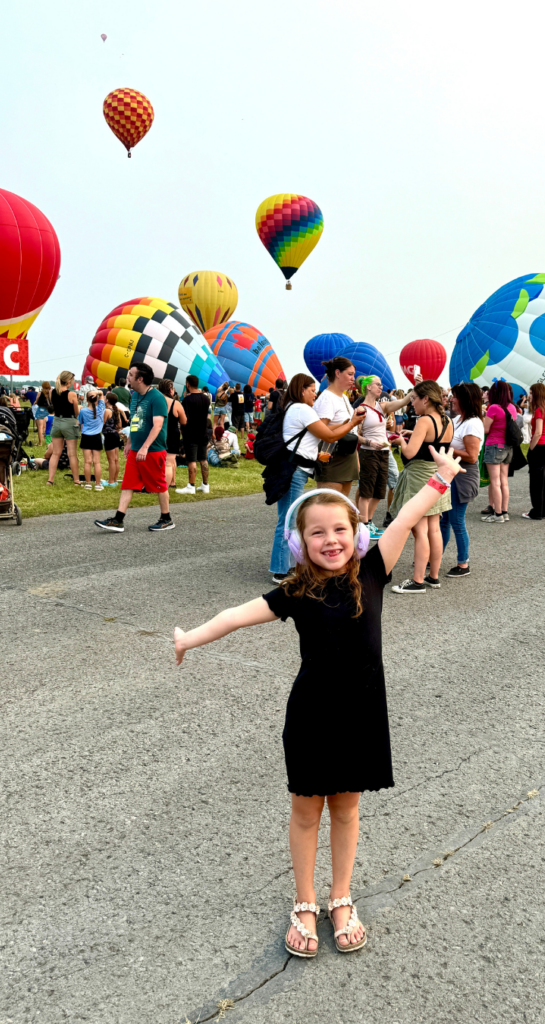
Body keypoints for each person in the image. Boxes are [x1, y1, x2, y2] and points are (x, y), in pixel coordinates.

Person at [173, 446, 465, 957]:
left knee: (347, 810)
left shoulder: (373, 569)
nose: (330, 540)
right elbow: (235, 615)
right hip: (311, 717)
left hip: (362, 714)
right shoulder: (295, 591)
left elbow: (413, 512)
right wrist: (188, 638)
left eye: (339, 530)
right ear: (297, 542)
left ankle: (340, 898)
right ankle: (304, 902)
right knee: (306, 812)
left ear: (358, 535)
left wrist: (442, 478)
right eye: (316, 532)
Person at [269, 374, 366, 583]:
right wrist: (353, 422)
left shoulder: (293, 408)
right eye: (312, 390)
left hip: (294, 467)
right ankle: (280, 570)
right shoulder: (301, 409)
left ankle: (285, 565)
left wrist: (316, 454)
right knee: (289, 519)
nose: (315, 394)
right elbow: (329, 436)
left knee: (290, 517)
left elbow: (320, 432)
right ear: (301, 390)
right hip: (294, 470)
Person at [390, 380, 454, 593]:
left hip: (419, 476)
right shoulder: (448, 420)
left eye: (414, 399)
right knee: (434, 529)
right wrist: (412, 437)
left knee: (420, 530)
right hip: (438, 475)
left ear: (425, 399)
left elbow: (409, 454)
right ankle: (433, 577)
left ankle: (417, 581)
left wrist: (400, 441)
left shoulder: (424, 420)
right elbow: (433, 446)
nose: (412, 403)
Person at [94, 363, 173, 532]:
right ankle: (118, 520)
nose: (127, 377)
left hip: (153, 450)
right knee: (128, 484)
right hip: (136, 449)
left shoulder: (157, 398)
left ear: (140, 379)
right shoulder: (135, 396)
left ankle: (166, 518)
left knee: (159, 485)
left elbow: (158, 425)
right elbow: (136, 421)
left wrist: (145, 447)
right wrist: (129, 443)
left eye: (131, 374)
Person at [354, 374, 415, 538]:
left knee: (379, 492)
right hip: (369, 453)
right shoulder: (361, 410)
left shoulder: (382, 406)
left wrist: (416, 386)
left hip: (383, 452)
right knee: (366, 491)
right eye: (378, 384)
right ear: (368, 387)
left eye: (381, 385)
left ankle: (369, 522)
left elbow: (403, 402)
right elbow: (353, 434)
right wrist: (369, 442)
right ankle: (363, 526)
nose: (381, 387)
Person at [439, 381, 483, 575]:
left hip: (462, 476)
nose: (451, 399)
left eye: (454, 396)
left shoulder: (473, 423)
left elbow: (472, 456)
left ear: (464, 399)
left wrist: (444, 448)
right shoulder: (458, 420)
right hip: (451, 474)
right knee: (444, 520)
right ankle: (434, 556)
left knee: (456, 520)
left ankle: (463, 563)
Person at [313, 358, 362, 496]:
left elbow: (350, 430)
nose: (354, 378)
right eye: (350, 374)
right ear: (338, 373)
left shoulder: (344, 397)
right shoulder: (327, 398)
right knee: (329, 503)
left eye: (354, 374)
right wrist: (350, 423)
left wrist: (356, 458)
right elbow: (319, 431)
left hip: (347, 452)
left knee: (341, 503)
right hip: (332, 454)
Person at [481, 380, 517, 524]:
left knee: (494, 482)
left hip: (494, 445)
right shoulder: (512, 407)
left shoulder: (493, 408)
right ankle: (504, 511)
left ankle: (497, 514)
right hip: (508, 447)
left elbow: (485, 429)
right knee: (504, 482)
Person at [522, 382, 545, 520]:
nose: (529, 396)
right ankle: (543, 510)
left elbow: (538, 432)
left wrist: (531, 448)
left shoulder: (539, 410)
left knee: (536, 481)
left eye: (530, 393)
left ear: (536, 394)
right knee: (544, 480)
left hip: (540, 446)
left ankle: (536, 511)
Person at [176, 375, 212, 495]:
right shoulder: (206, 399)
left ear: (187, 384)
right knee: (203, 459)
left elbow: (184, 419)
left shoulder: (187, 400)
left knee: (192, 459)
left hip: (191, 433)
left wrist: (182, 430)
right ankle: (205, 485)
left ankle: (191, 486)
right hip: (203, 432)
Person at [47, 371, 82, 486]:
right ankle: (76, 480)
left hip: (56, 422)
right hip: (69, 422)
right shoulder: (71, 394)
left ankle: (50, 480)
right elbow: (76, 412)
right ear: (68, 382)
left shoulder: (52, 392)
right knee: (72, 454)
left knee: (56, 453)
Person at [159, 379, 187, 488]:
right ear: (171, 390)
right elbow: (184, 421)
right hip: (172, 434)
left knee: (159, 461)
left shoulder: (155, 401)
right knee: (169, 462)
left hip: (158, 433)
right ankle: (165, 486)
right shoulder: (176, 404)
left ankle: (171, 482)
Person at [78, 388, 105, 490]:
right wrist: (97, 393)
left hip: (86, 437)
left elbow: (80, 422)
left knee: (87, 462)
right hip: (96, 436)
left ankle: (88, 483)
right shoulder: (101, 409)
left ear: (87, 399)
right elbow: (102, 394)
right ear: (96, 399)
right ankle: (98, 484)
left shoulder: (83, 411)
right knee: (97, 462)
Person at [102, 392, 125, 486]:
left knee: (111, 460)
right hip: (115, 435)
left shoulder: (107, 411)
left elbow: (101, 424)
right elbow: (119, 425)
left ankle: (110, 481)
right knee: (116, 460)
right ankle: (114, 480)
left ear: (107, 400)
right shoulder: (116, 411)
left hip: (109, 437)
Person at [33, 382, 53, 447]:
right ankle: (48, 441)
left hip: (41, 410)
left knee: (40, 427)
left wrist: (35, 403)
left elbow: (36, 402)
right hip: (48, 410)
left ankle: (40, 443)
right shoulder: (50, 393)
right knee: (46, 427)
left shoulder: (40, 393)